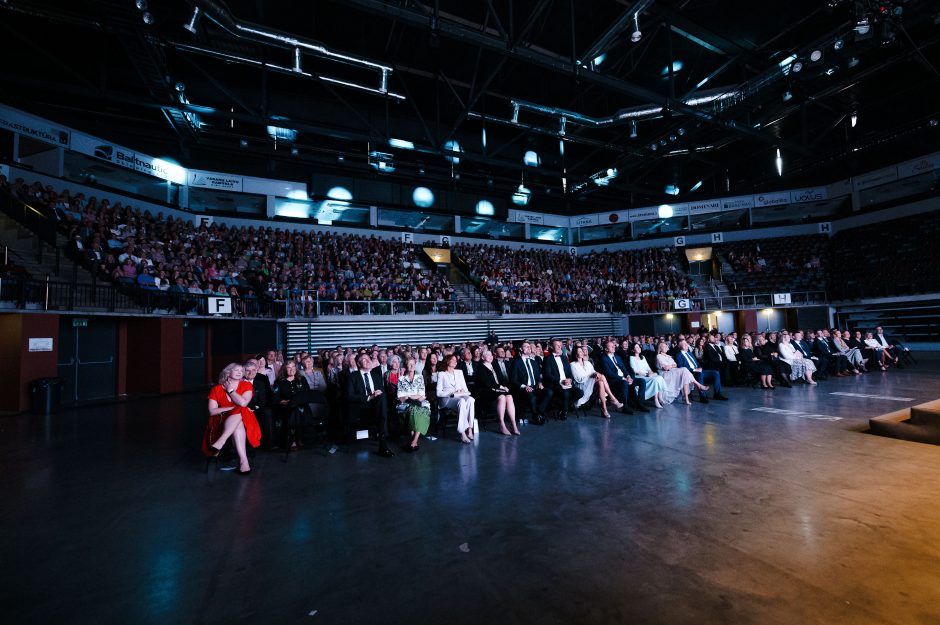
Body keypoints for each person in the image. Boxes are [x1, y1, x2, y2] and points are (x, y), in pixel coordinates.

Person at [204, 363, 260, 475]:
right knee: (239, 415)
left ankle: (221, 441)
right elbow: (212, 411)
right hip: (221, 419)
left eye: (241, 370)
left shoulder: (246, 385)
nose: (240, 372)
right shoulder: (217, 389)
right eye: (236, 370)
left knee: (241, 410)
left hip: (245, 419)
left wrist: (231, 391)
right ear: (228, 372)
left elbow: (243, 403)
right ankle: (244, 462)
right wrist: (233, 408)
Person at [346, 354, 394, 457]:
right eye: (364, 360)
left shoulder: (376, 376)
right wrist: (369, 397)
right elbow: (349, 396)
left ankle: (382, 442)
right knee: (382, 409)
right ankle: (383, 441)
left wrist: (378, 394)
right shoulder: (352, 376)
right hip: (361, 407)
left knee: (381, 398)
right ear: (358, 364)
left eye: (368, 358)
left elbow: (382, 392)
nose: (367, 361)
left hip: (377, 406)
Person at [570, 345, 623, 417]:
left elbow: (593, 372)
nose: (582, 352)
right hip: (581, 386)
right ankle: (613, 399)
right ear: (575, 354)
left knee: (600, 382)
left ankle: (604, 408)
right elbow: (578, 379)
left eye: (582, 351)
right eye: (579, 351)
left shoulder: (587, 363)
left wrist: (595, 374)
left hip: (590, 384)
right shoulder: (573, 365)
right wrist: (591, 376)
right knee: (601, 377)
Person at [476, 350, 519, 435]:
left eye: (491, 355)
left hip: (496, 390)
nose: (490, 356)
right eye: (487, 355)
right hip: (485, 392)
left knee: (509, 396)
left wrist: (503, 387)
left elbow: (500, 380)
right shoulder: (481, 368)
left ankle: (513, 425)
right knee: (502, 397)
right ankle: (502, 424)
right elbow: (487, 383)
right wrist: (501, 387)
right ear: (483, 357)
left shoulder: (494, 366)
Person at [273, 360, 312, 450]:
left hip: (301, 405)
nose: (292, 369)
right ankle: (293, 439)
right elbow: (276, 397)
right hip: (285, 406)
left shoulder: (302, 379)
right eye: (289, 368)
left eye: (293, 367)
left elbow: (307, 393)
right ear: (284, 369)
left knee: (297, 410)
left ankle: (299, 438)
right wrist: (285, 402)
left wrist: (299, 401)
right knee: (292, 411)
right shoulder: (279, 381)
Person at [437, 354, 476, 444]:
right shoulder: (442, 374)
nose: (455, 362)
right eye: (453, 360)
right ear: (447, 361)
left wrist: (462, 390)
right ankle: (462, 433)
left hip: (460, 395)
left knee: (470, 399)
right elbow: (438, 393)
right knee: (462, 401)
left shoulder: (459, 372)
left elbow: (466, 389)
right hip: (447, 399)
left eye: (456, 360)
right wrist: (452, 393)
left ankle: (469, 429)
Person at [540, 339, 583, 420]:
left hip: (566, 383)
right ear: (552, 347)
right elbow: (547, 375)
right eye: (557, 345)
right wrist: (560, 381)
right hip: (555, 384)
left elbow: (569, 373)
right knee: (565, 393)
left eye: (560, 345)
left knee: (580, 392)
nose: (560, 347)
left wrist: (569, 379)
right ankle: (564, 412)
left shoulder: (564, 358)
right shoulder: (547, 359)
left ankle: (562, 407)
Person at [598, 340, 642, 414]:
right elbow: (609, 374)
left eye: (614, 345)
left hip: (623, 379)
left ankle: (639, 403)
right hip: (613, 381)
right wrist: (623, 378)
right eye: (611, 346)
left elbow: (624, 369)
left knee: (642, 381)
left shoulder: (617, 357)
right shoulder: (603, 359)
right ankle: (625, 407)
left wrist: (628, 376)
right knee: (624, 382)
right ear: (606, 349)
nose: (613, 347)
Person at [397, 356, 431, 452]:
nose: (411, 366)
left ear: (415, 365)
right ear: (406, 365)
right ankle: (414, 442)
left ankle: (413, 441)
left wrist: (409, 396)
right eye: (409, 364)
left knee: (421, 410)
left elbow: (422, 394)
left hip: (420, 402)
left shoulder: (419, 377)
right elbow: (401, 396)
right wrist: (412, 396)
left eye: (413, 364)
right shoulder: (401, 379)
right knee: (413, 410)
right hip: (406, 404)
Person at [510, 341, 546, 425]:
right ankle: (536, 415)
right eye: (526, 346)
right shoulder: (516, 362)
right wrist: (524, 386)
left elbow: (537, 376)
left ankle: (538, 412)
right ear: (521, 349)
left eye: (529, 347)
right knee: (531, 396)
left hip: (535, 386)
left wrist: (540, 382)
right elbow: (513, 379)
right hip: (523, 388)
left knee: (549, 392)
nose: (529, 348)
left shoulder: (533, 362)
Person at [244, 359, 276, 449]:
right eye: (248, 370)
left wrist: (254, 408)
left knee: (267, 412)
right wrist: (247, 408)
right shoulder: (239, 382)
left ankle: (269, 443)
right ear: (244, 371)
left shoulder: (260, 382)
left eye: (254, 370)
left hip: (257, 407)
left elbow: (262, 400)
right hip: (243, 408)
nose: (251, 372)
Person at [629, 343, 667, 408]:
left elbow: (648, 368)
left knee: (659, 377)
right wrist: (646, 374)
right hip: (640, 376)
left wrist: (650, 372)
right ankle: (656, 400)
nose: (639, 348)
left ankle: (660, 398)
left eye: (639, 347)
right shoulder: (632, 358)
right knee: (655, 380)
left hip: (647, 375)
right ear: (633, 350)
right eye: (636, 347)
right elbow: (635, 371)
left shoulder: (642, 357)